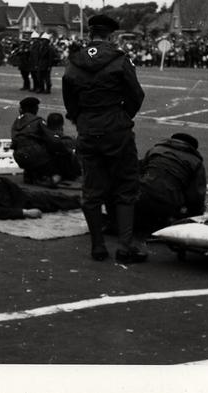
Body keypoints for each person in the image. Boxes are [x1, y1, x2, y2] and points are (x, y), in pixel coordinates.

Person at [62, 14, 146, 263]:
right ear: (110, 35)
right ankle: (125, 245)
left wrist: (82, 120)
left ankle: (97, 245)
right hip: (115, 127)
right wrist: (121, 116)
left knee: (91, 188)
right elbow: (136, 95)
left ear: (90, 35)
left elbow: (70, 100)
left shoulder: (74, 62)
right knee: (126, 185)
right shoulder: (119, 60)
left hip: (88, 127)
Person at [134, 133, 207, 236]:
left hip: (140, 198)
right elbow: (196, 197)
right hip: (167, 204)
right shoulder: (195, 161)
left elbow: (137, 171)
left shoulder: (156, 150)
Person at [10, 97, 69, 187]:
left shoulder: (17, 122)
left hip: (19, 156)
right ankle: (46, 176)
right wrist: (65, 150)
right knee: (55, 152)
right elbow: (53, 141)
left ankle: (31, 174)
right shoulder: (38, 121)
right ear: (33, 108)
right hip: (35, 155)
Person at [46, 112, 82, 181]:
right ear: (61, 125)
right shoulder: (66, 140)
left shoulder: (44, 136)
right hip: (64, 170)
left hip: (47, 168)